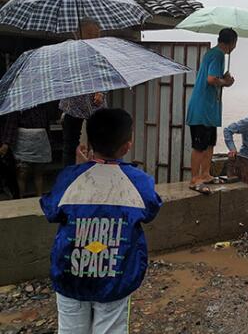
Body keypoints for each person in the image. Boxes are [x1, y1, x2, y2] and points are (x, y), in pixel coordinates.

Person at [40, 108, 162, 334]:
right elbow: (151, 208)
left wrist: (79, 169)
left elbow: (50, 210)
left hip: (70, 275)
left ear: (89, 141)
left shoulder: (70, 177)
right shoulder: (139, 182)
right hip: (115, 276)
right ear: (127, 145)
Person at [186, 28, 237, 194]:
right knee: (200, 145)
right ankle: (195, 179)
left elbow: (214, 77)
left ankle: (206, 174)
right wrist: (226, 82)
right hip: (202, 109)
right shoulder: (218, 54)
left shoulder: (213, 54)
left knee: (209, 143)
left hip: (208, 109)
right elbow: (211, 79)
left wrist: (223, 78)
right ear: (232, 42)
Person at [59, 17, 107, 166]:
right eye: (89, 33)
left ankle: (99, 172)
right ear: (78, 33)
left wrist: (102, 91)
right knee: (70, 144)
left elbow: (106, 74)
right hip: (73, 102)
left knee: (101, 142)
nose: (94, 37)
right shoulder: (68, 48)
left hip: (96, 102)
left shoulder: (101, 51)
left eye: (96, 34)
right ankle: (69, 176)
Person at [0, 105, 52, 197]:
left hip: (27, 140)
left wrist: (6, 143)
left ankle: (21, 199)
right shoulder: (42, 103)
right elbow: (47, 124)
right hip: (39, 138)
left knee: (22, 175)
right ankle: (38, 198)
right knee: (37, 175)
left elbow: (12, 124)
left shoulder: (18, 104)